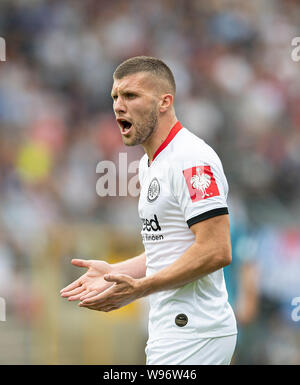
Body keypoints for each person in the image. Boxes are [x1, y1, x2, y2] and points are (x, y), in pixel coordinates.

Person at [60, 56, 237, 365]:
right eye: (115, 96)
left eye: (130, 95)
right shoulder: (149, 164)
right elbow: (170, 249)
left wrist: (140, 289)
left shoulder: (193, 159)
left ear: (164, 102)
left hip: (195, 330)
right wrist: (117, 272)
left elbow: (216, 250)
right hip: (172, 330)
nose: (118, 105)